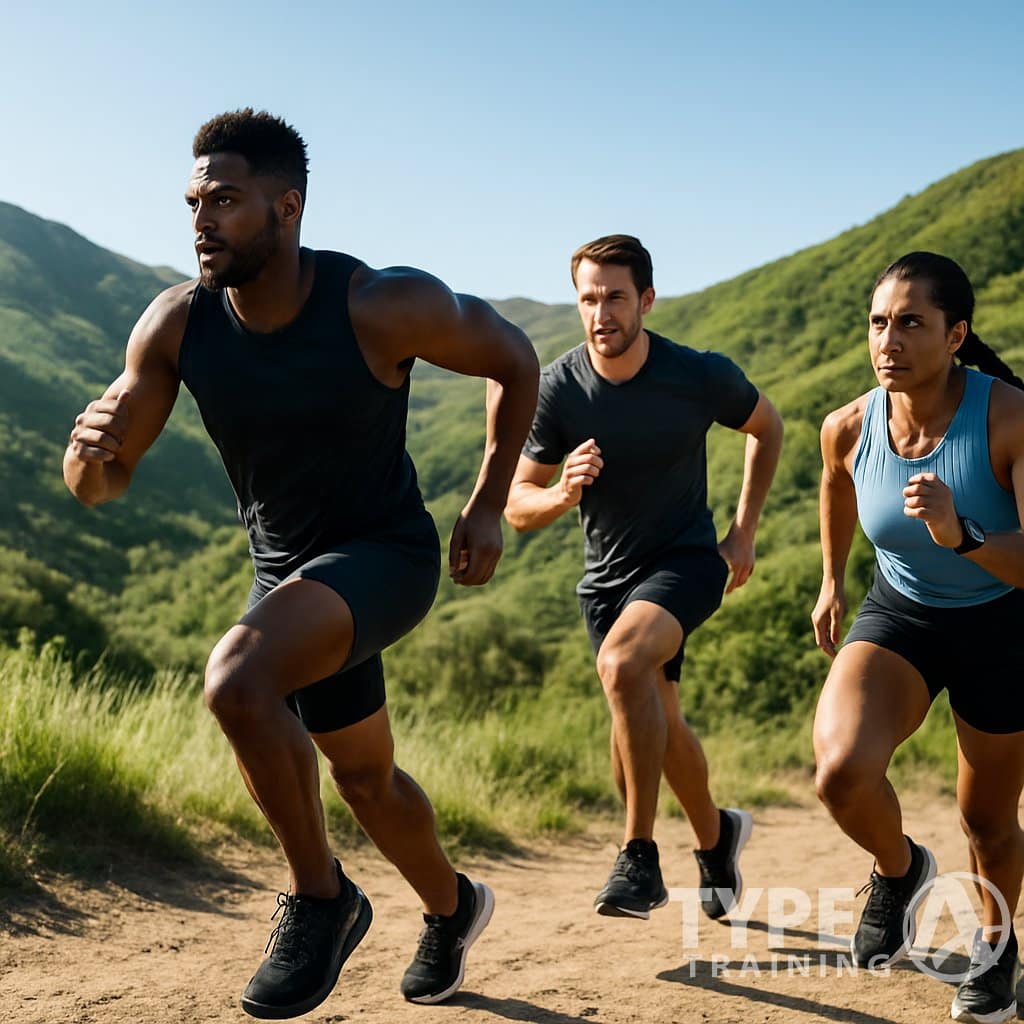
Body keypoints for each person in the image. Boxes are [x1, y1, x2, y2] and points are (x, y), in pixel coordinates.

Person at [63, 109, 539, 1019]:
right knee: (365, 779)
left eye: (227, 201)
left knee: (239, 680)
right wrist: (86, 452)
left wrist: (485, 501)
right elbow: (103, 483)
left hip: (388, 557)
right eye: (195, 201)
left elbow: (515, 360)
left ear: (287, 209)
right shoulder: (177, 324)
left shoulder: (377, 303)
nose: (202, 220)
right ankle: (453, 905)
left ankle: (322, 899)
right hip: (288, 576)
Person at [503, 234, 783, 920]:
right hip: (607, 583)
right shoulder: (560, 387)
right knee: (653, 726)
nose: (601, 312)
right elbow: (516, 506)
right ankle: (717, 840)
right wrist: (562, 494)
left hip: (687, 563)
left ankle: (638, 858)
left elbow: (766, 426)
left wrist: (742, 532)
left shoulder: (696, 374)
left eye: (615, 297)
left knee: (626, 666)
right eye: (589, 298)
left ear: (646, 301)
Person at [812, 252, 1024, 1023]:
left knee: (989, 825)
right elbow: (837, 482)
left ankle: (997, 955)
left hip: (1003, 622)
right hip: (902, 612)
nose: (887, 339)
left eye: (910, 322)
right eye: (878, 322)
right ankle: (899, 872)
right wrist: (833, 579)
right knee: (840, 773)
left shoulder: (1007, 418)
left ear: (955, 334)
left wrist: (961, 533)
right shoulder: (849, 425)